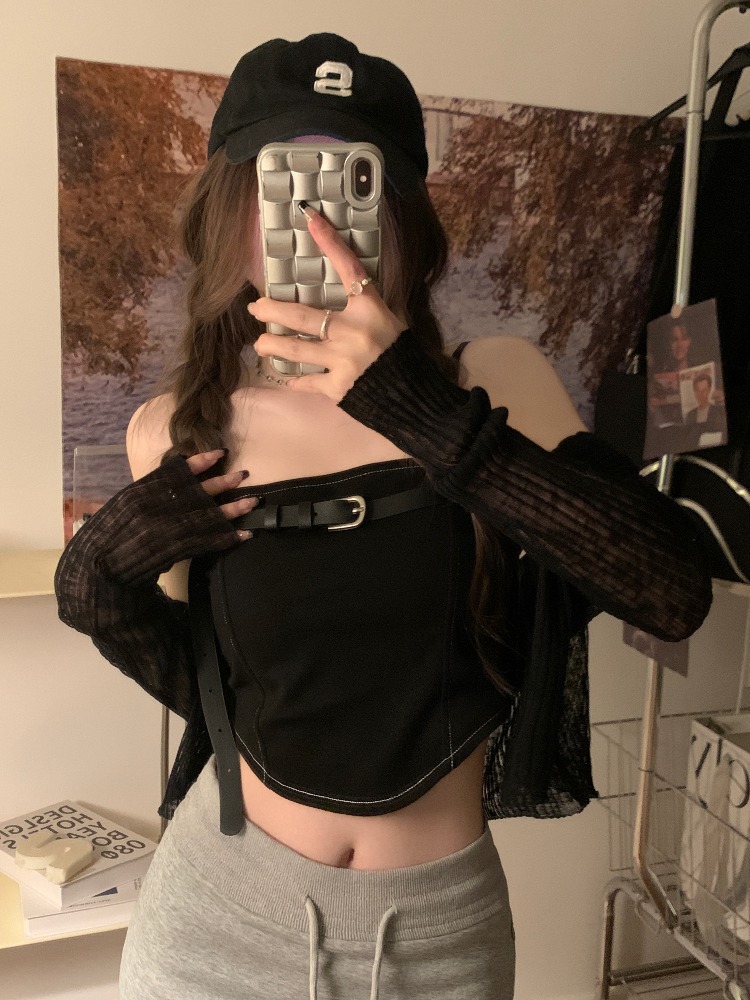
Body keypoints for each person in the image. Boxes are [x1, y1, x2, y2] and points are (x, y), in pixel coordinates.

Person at [54, 33, 713, 1000]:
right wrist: (94, 584)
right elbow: (217, 688)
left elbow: (672, 589)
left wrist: (424, 413)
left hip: (438, 940)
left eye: (355, 185)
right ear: (232, 212)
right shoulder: (177, 429)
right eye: (286, 186)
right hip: (217, 916)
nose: (320, 221)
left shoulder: (495, 381)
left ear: (405, 217)